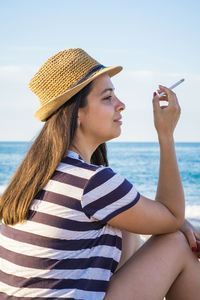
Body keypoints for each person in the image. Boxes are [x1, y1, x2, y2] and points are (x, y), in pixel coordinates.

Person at [0, 48, 200, 300]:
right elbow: (171, 215)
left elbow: (155, 214)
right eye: (107, 98)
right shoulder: (91, 182)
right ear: (77, 113)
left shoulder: (35, 177)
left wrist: (173, 219)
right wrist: (166, 135)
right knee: (176, 243)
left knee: (126, 229)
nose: (121, 105)